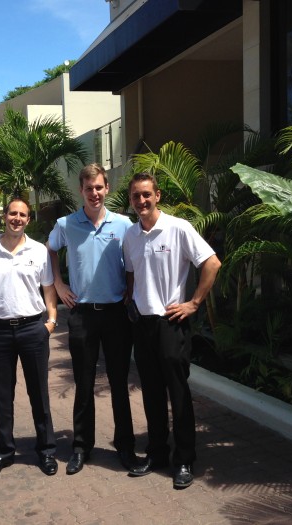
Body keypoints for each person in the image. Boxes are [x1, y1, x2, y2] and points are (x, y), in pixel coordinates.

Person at [122, 172, 221, 489]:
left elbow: (212, 263)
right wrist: (131, 301)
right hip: (143, 324)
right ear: (131, 200)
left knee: (178, 394)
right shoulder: (130, 236)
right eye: (136, 196)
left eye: (146, 194)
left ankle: (184, 460)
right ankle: (157, 454)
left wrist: (194, 303)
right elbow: (131, 273)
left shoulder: (178, 228)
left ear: (158, 196)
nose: (141, 201)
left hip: (171, 323)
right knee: (151, 394)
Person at [47, 163, 138, 475]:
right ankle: (81, 447)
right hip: (83, 315)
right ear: (81, 191)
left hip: (116, 315)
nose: (94, 193)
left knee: (118, 383)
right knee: (84, 384)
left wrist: (130, 288)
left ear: (107, 188)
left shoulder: (124, 224)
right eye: (89, 188)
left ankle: (125, 446)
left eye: (99, 187)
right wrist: (59, 284)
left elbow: (134, 260)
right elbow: (49, 251)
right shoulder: (66, 224)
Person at [0, 198, 59, 479]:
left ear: (28, 219)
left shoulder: (38, 251)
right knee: (2, 395)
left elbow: (49, 288)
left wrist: (51, 321)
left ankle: (46, 450)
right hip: (0, 332)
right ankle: (4, 452)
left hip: (33, 330)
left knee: (39, 394)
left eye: (22, 215)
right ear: (5, 216)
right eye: (13, 213)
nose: (17, 218)